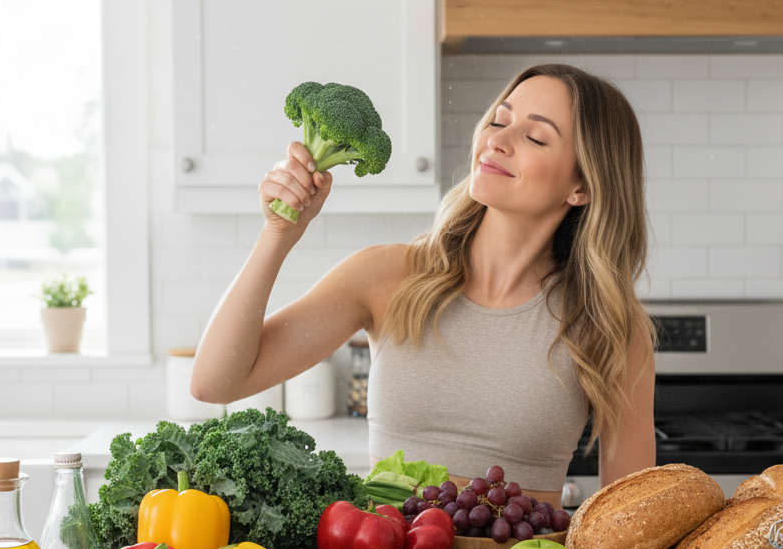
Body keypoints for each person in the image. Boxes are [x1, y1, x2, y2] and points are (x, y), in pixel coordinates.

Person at [192, 62, 656, 509]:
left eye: (534, 136)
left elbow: (629, 523)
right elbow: (214, 382)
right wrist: (278, 235)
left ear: (582, 186)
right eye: (499, 120)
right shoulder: (388, 275)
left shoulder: (607, 323)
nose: (497, 140)